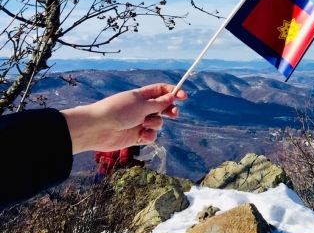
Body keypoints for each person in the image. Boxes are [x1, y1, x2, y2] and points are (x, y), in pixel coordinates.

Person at [0, 83, 187, 209]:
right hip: (108, 166)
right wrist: (94, 126)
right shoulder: (123, 150)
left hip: (104, 163)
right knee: (103, 190)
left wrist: (97, 125)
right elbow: (121, 157)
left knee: (101, 189)